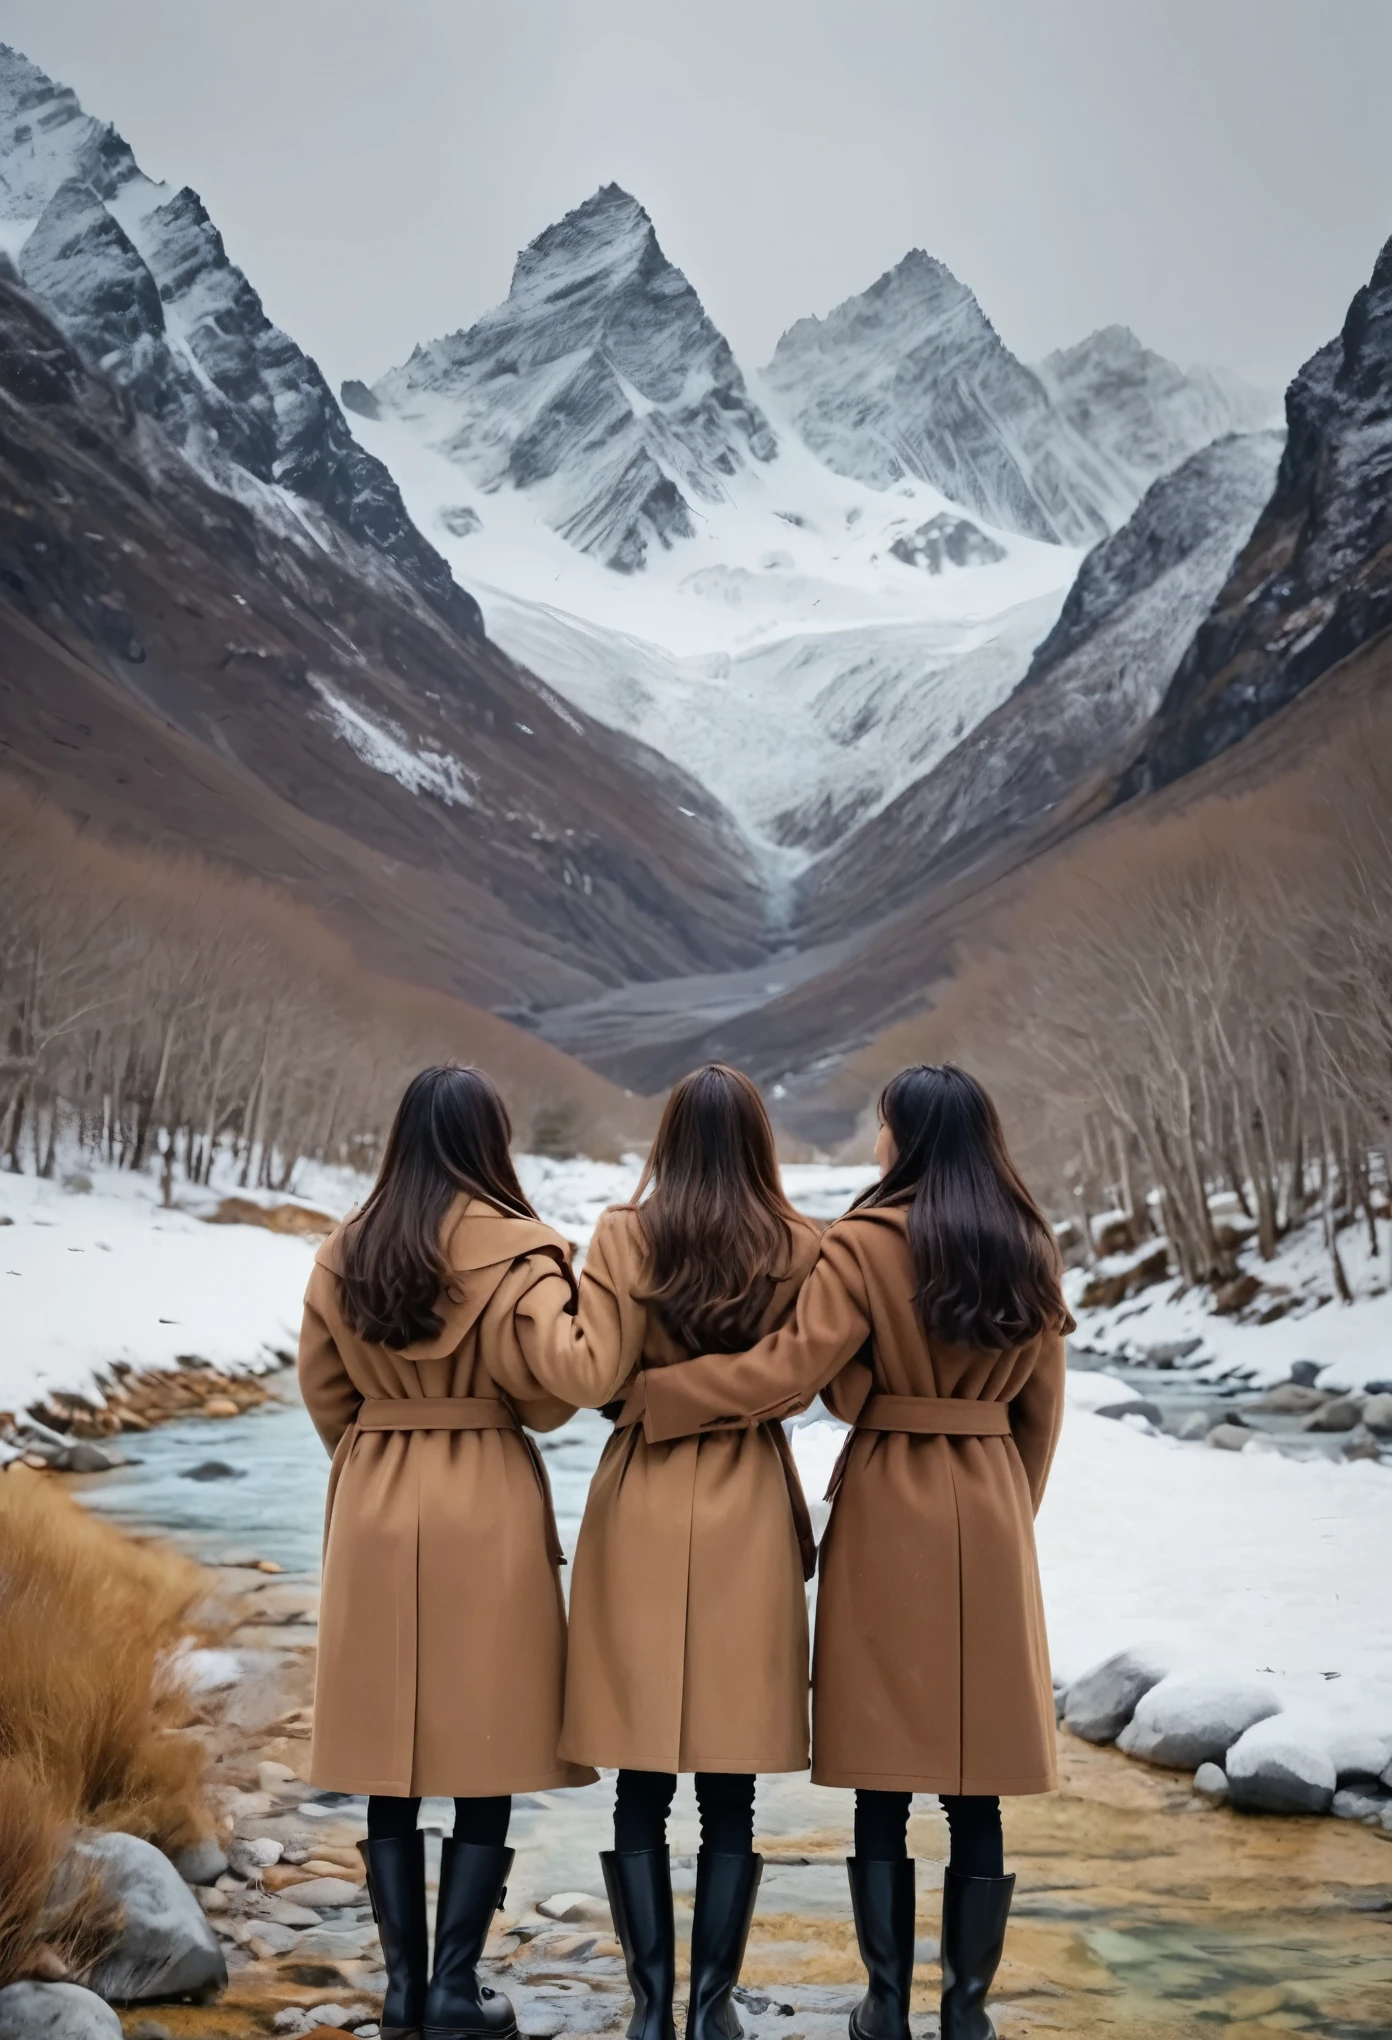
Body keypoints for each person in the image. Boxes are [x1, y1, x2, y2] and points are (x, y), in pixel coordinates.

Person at [613, 1065, 1071, 2040]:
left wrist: (664, 1397)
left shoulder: (863, 1244)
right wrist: (1001, 1515)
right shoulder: (1031, 1244)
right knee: (973, 1780)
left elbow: (797, 1372)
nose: (874, 1145)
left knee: (883, 1771)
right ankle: (969, 2016)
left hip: (886, 1509)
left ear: (904, 1138)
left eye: (882, 1129)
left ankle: (884, 2008)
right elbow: (1041, 1411)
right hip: (989, 1503)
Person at [298, 1064, 628, 2040]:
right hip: (486, 1496)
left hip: (375, 1494)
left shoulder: (341, 1249)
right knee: (488, 1743)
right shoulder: (521, 1255)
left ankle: (399, 1992)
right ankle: (454, 1986)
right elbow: (551, 1396)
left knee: (386, 1750)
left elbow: (324, 1390)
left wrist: (376, 1465)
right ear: (492, 1142)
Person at [559, 1064, 822, 2040]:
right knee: (731, 1777)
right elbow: (802, 1385)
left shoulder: (625, 1234)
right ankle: (713, 2009)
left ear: (667, 1139)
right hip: (748, 1498)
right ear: (759, 1142)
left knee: (639, 1773)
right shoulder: (801, 1245)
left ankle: (647, 2009)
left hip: (642, 1491)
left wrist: (651, 1396)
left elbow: (600, 1376)